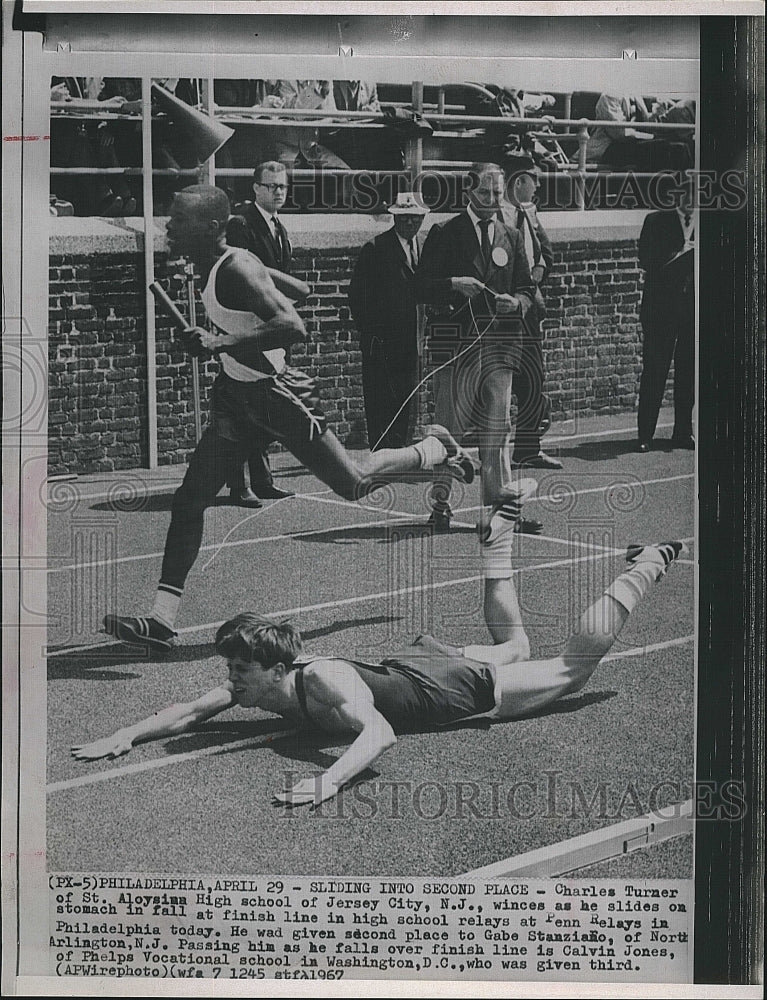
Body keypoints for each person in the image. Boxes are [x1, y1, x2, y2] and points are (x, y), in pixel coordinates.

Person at [103, 185, 476, 652]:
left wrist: (217, 342)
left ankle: (434, 447)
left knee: (354, 483)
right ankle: (162, 620)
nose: (168, 226)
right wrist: (232, 326)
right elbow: (296, 291)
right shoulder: (218, 264)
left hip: (276, 394)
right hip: (236, 397)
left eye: (178, 218)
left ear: (211, 227)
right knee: (190, 498)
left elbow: (294, 327)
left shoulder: (235, 268)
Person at [75, 539, 688, 807]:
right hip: (408, 666)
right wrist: (126, 735)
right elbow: (187, 713)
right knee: (517, 641)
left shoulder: (321, 682)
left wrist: (329, 782)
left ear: (274, 667)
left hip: (447, 687)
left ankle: (651, 563)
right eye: (231, 672)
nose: (231, 683)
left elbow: (379, 735)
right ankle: (498, 540)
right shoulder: (257, 683)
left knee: (567, 667)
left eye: (238, 671)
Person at [413, 162, 537, 537]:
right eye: (485, 193)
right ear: (469, 193)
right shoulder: (445, 232)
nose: (492, 200)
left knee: (498, 430)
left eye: (498, 193)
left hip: (500, 348)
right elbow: (420, 287)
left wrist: (516, 304)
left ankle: (501, 507)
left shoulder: (512, 236)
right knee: (447, 428)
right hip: (456, 346)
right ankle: (441, 504)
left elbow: (528, 289)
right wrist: (453, 283)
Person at [224, 160, 297, 504]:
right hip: (247, 325)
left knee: (266, 403)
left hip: (271, 327)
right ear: (255, 188)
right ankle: (240, 485)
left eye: (282, 186)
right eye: (270, 186)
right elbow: (243, 274)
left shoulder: (278, 226)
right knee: (243, 405)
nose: (277, 192)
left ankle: (263, 478)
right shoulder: (241, 224)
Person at [348, 191, 428, 451]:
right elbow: (357, 296)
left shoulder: (425, 246)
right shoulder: (375, 248)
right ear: (395, 217)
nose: (409, 223)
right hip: (381, 342)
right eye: (403, 217)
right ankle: (381, 453)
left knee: (407, 398)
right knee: (380, 398)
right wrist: (372, 332)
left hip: (412, 339)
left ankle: (401, 452)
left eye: (415, 218)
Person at [500, 153, 561, 471]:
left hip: (529, 312)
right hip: (503, 311)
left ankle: (527, 449)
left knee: (533, 380)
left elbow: (547, 251)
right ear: (519, 181)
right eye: (533, 181)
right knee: (495, 384)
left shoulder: (530, 214)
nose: (537, 188)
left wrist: (539, 269)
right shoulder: (497, 215)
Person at [636, 176, 695, 452]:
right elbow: (646, 259)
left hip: (692, 310)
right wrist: (678, 254)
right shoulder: (655, 221)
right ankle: (645, 434)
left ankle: (683, 432)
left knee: (688, 372)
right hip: (660, 310)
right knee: (655, 371)